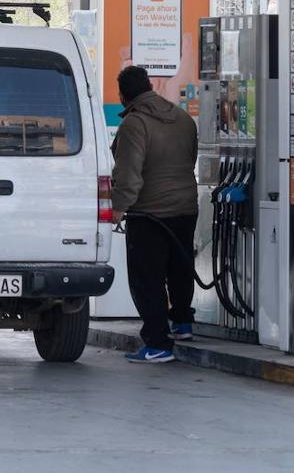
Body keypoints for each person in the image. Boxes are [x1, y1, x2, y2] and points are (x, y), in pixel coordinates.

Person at [110, 66, 199, 364]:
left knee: (147, 277)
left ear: (123, 95)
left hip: (149, 213)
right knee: (180, 268)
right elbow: (190, 160)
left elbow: (128, 174)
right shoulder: (183, 118)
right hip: (186, 207)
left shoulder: (135, 124)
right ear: (149, 85)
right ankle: (183, 323)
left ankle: (157, 342)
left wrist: (119, 208)